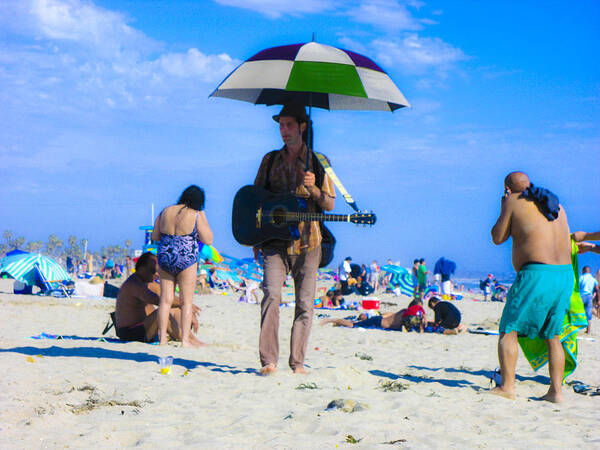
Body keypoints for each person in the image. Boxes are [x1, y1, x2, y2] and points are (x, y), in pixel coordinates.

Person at [253, 102, 336, 375]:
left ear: (302, 126)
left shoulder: (319, 162)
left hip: (309, 243)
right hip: (274, 242)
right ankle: (269, 361)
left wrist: (313, 190)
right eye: (280, 125)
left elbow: (330, 204)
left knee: (304, 304)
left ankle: (297, 362)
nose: (283, 130)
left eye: (288, 125)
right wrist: (255, 237)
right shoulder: (269, 161)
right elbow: (255, 201)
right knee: (271, 296)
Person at [490, 171, 573, 402]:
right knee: (553, 335)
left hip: (536, 273)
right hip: (565, 275)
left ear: (508, 188)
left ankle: (507, 387)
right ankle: (556, 392)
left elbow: (498, 237)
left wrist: (504, 205)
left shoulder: (513, 201)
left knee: (509, 329)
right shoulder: (554, 203)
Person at [152, 185, 213, 348]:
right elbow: (208, 240)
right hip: (187, 258)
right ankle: (185, 340)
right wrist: (203, 217)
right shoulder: (196, 214)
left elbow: (155, 236)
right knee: (186, 302)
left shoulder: (165, 211)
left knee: (165, 300)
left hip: (165, 255)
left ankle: (162, 339)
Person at [115, 252, 203, 345]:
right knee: (161, 312)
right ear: (142, 269)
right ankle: (189, 341)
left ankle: (190, 338)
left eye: (158, 271)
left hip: (142, 328)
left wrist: (186, 307)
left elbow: (166, 296)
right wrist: (186, 305)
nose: (157, 274)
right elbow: (160, 301)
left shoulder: (147, 282)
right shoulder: (134, 284)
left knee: (174, 310)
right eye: (153, 271)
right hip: (130, 333)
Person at [579, 266, 598, 334]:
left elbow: (576, 287)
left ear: (583, 271)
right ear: (589, 271)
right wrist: (598, 299)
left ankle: (576, 329)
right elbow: (597, 289)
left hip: (581, 296)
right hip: (590, 297)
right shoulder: (593, 279)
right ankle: (588, 331)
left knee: (577, 312)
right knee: (589, 314)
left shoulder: (581, 277)